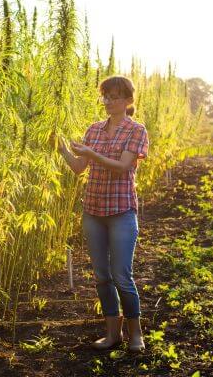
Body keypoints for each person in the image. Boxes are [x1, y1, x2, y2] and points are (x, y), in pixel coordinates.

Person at [54, 75, 149, 352]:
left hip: (121, 211)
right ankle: (112, 334)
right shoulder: (93, 130)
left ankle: (136, 334)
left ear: (128, 100)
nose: (108, 101)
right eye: (105, 96)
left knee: (122, 275)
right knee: (101, 276)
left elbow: (122, 167)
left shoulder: (136, 130)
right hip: (93, 211)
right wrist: (63, 151)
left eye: (114, 96)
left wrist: (92, 155)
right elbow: (78, 167)